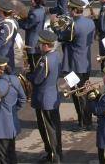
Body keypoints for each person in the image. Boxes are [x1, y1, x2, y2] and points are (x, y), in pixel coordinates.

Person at [56, 0, 95, 129]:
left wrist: (55, 26)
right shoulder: (90, 23)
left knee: (77, 95)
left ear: (73, 10)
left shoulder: (74, 25)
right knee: (85, 92)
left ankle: (83, 122)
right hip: (85, 63)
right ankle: (88, 120)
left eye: (70, 9)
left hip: (73, 64)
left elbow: (62, 37)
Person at [0, 54, 27, 164]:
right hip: (11, 126)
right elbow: (22, 99)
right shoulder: (15, 79)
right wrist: (11, 111)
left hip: (0, 128)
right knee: (11, 156)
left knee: (1, 159)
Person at [30, 30, 63, 163]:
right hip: (52, 96)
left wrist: (28, 75)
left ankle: (53, 157)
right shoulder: (55, 55)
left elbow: (37, 79)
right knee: (54, 129)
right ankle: (53, 154)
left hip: (44, 99)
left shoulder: (45, 60)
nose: (39, 45)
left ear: (46, 45)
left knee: (48, 131)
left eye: (40, 43)